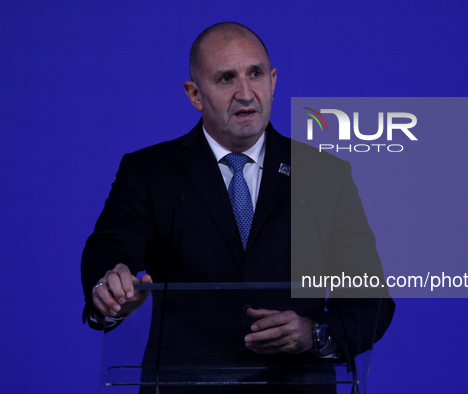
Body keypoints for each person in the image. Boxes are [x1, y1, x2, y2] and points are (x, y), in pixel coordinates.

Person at [81, 22, 394, 393]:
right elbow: (113, 244)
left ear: (273, 80)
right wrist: (111, 283)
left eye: (256, 74)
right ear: (195, 94)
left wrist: (314, 333)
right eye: (226, 79)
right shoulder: (151, 171)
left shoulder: (326, 175)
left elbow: (369, 295)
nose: (246, 94)